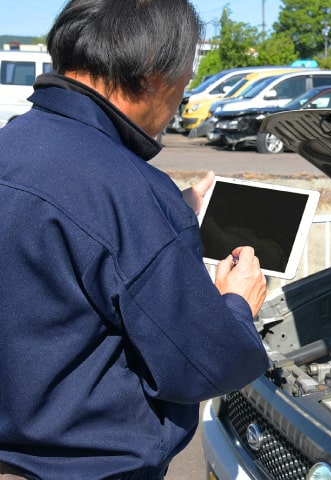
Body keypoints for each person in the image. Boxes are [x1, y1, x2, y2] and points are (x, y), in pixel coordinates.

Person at [0, 1, 270, 478]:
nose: (179, 104)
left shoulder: (14, 143)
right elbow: (203, 363)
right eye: (184, 83)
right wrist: (237, 303)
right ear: (150, 72)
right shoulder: (132, 192)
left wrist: (162, 219)